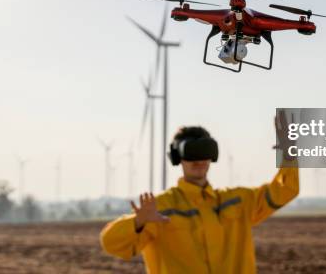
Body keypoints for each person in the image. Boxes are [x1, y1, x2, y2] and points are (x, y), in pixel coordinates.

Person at [100, 112, 299, 273]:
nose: (199, 160)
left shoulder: (238, 201)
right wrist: (138, 222)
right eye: (192, 153)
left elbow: (285, 190)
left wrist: (288, 150)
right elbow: (110, 243)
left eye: (205, 152)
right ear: (178, 157)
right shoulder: (161, 209)